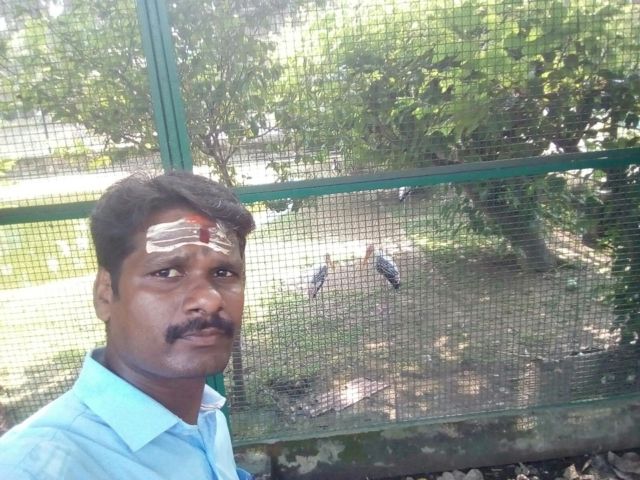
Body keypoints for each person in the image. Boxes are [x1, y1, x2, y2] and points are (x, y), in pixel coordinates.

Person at [0, 171, 255, 480]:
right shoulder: (34, 467)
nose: (210, 299)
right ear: (105, 294)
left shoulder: (205, 414)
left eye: (224, 273)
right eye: (167, 273)